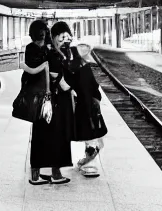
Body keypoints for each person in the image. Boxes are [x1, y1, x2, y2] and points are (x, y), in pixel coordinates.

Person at [21, 20, 71, 185]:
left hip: (37, 100)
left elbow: (30, 71)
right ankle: (55, 174)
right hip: (50, 99)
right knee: (56, 136)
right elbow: (55, 74)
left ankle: (36, 174)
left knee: (39, 136)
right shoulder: (49, 51)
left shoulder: (30, 49)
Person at [37, 20, 77, 184]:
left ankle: (47, 170)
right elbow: (57, 78)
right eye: (61, 38)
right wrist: (70, 89)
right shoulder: (53, 54)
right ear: (53, 37)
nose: (65, 41)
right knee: (58, 136)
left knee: (53, 136)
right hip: (56, 101)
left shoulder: (58, 52)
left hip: (55, 101)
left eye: (68, 38)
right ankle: (56, 172)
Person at [67, 43, 107, 177]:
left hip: (82, 108)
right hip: (89, 109)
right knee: (94, 136)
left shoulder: (73, 69)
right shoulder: (84, 69)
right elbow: (93, 88)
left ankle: (87, 162)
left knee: (90, 136)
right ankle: (90, 164)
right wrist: (97, 99)